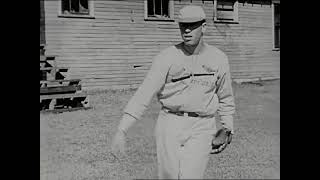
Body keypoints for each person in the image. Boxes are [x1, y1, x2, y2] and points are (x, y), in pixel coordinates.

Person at [111, 5, 235, 179]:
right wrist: (121, 130)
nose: (187, 30)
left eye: (192, 25)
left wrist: (228, 129)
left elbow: (226, 97)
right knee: (169, 176)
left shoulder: (218, 58)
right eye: (183, 26)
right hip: (170, 123)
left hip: (202, 125)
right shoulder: (167, 56)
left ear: (204, 27)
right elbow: (143, 94)